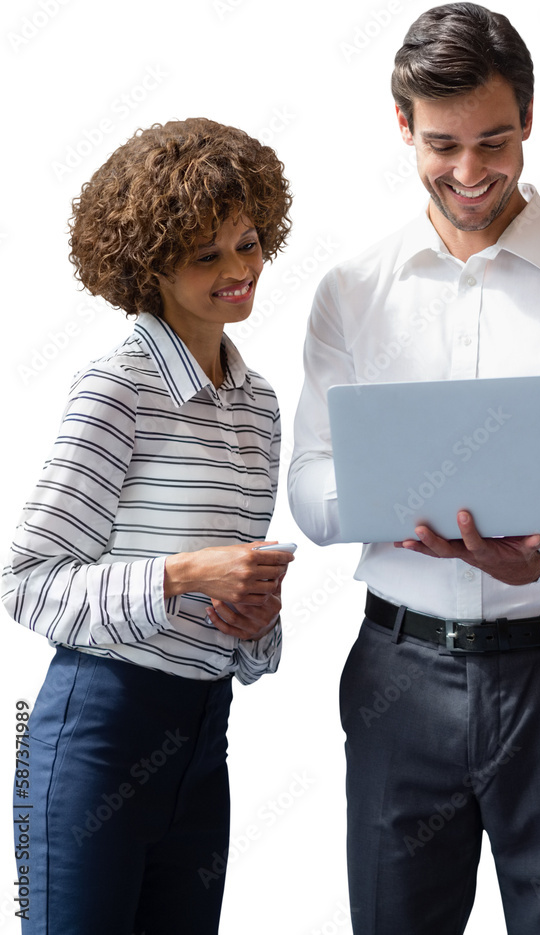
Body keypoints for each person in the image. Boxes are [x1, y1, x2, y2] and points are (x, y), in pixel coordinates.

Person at [287, 5, 540, 932]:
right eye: (443, 144)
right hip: (399, 674)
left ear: (530, 120)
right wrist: (394, 508)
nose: (469, 172)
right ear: (402, 125)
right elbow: (309, 483)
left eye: (494, 141)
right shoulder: (352, 290)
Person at [3, 118, 295, 935]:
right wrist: (183, 576)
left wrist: (255, 624)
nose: (239, 271)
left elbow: (239, 612)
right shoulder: (116, 388)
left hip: (204, 742)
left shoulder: (260, 404)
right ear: (150, 267)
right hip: (97, 734)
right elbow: (27, 580)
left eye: (247, 242)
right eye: (207, 257)